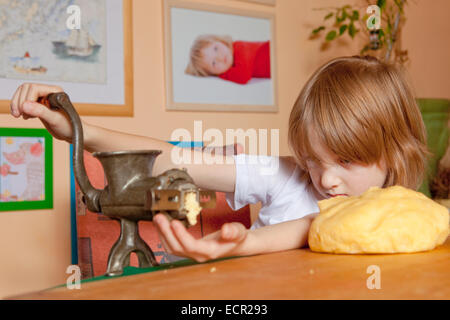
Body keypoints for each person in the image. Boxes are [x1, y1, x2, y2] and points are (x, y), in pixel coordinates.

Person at [9, 55, 430, 263]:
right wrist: (78, 128)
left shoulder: (412, 220)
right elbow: (170, 159)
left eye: (348, 162)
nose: (327, 180)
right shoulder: (284, 176)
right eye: (313, 159)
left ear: (396, 153)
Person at [185, 34, 271, 85]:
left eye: (216, 49)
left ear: (220, 41)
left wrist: (222, 75)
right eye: (214, 63)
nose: (220, 57)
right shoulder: (233, 63)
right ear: (212, 73)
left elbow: (243, 76)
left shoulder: (240, 47)